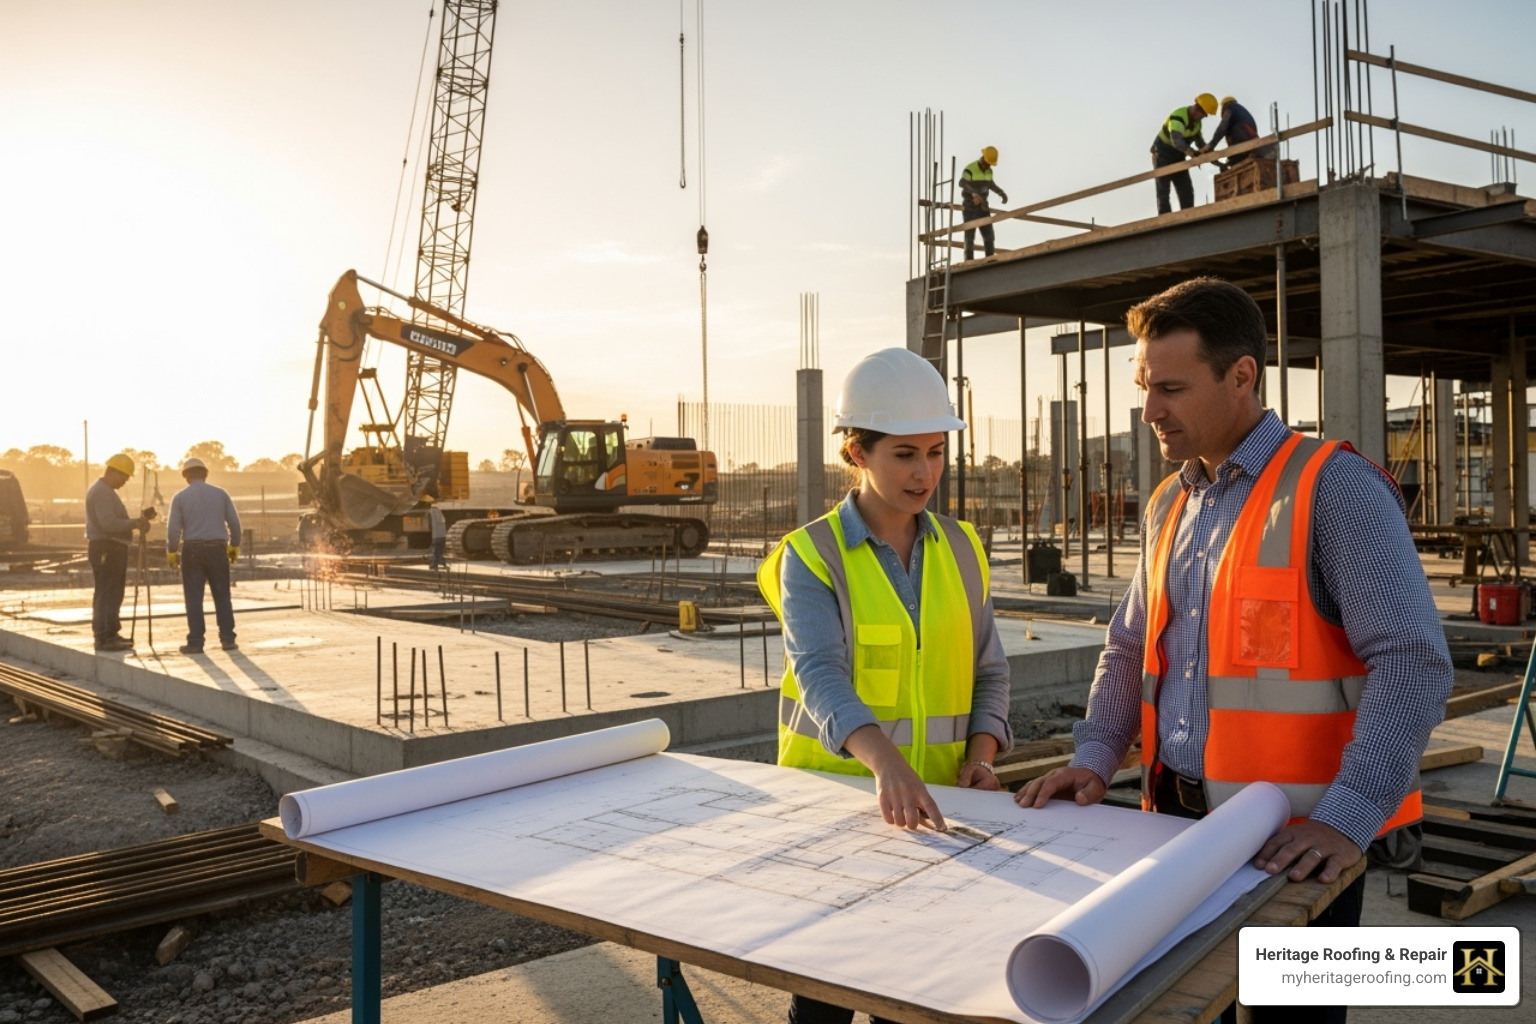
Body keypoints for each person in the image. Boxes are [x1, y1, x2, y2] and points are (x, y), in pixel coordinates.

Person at [1018, 278, 1453, 1024]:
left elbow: (1414, 658)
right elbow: (1128, 647)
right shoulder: (1169, 503)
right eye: (1146, 387)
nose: (1150, 410)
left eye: (1173, 388)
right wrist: (1093, 757)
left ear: (1241, 377)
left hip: (1296, 850)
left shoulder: (1333, 490)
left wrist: (1347, 819)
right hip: (1176, 834)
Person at [759, 347, 1013, 1024]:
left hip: (942, 816)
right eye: (904, 453)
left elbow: (988, 669)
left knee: (920, 998)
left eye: (936, 451)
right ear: (856, 452)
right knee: (825, 1003)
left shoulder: (962, 547)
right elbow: (819, 672)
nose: (925, 472)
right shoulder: (812, 556)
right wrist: (889, 767)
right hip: (834, 816)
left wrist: (981, 758)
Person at [166, 457, 242, 655]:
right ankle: (227, 639)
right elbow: (235, 524)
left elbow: (173, 530)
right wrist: (234, 545)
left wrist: (172, 550)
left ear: (186, 476)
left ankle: (196, 642)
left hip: (192, 551)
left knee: (193, 598)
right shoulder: (220, 494)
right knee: (222, 595)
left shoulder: (180, 497)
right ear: (205, 474)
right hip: (218, 550)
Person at [86, 453, 154, 651]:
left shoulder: (105, 491)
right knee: (108, 592)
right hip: (107, 547)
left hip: (111, 547)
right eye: (124, 476)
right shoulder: (102, 492)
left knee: (112, 592)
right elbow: (108, 523)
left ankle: (110, 633)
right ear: (113, 472)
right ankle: (105, 637)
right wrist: (134, 523)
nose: (125, 481)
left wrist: (135, 521)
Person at [1151, 93, 1217, 214]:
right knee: (1163, 191)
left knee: (1186, 190)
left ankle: (1188, 216)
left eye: (1205, 116)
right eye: (1203, 114)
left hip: (1178, 156)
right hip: (1162, 153)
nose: (1203, 117)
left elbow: (1200, 143)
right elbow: (1177, 142)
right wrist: (1192, 153)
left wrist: (1215, 160)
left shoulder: (1197, 124)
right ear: (1197, 108)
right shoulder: (1178, 117)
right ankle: (1166, 221)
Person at [959, 146, 1008, 261]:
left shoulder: (989, 171)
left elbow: (990, 184)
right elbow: (962, 183)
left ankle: (990, 259)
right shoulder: (970, 169)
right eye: (987, 163)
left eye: (991, 164)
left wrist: (1001, 193)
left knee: (989, 236)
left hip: (983, 207)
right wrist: (974, 194)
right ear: (983, 159)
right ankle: (969, 262)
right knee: (970, 237)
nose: (989, 166)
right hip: (970, 206)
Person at [1208, 96, 1276, 165]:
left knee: (1228, 131)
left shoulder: (1230, 107)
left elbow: (1222, 128)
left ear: (1223, 107)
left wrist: (1211, 145)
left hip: (1242, 135)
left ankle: (1235, 159)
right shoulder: (1240, 112)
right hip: (1251, 137)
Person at [424, 495, 447, 569]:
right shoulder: (438, 510)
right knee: (440, 549)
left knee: (435, 550)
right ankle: (441, 561)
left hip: (436, 534)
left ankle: (435, 563)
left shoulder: (430, 512)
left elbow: (429, 524)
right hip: (442, 534)